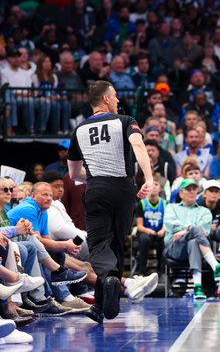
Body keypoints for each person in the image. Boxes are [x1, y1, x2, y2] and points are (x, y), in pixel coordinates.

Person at [67, 80, 154, 324]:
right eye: (114, 96)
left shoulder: (80, 129)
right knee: (115, 242)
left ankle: (110, 279)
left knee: (99, 245)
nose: (117, 100)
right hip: (125, 188)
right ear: (106, 99)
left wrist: (96, 173)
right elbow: (138, 144)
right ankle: (100, 306)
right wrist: (148, 178)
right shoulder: (125, 121)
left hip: (97, 188)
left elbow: (74, 174)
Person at [163, 179, 220, 300]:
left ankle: (197, 287)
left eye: (194, 189)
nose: (192, 192)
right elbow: (171, 224)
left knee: (194, 241)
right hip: (175, 247)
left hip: (194, 247)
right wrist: (189, 228)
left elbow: (205, 231)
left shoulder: (205, 211)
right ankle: (216, 267)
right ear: (181, 193)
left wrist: (185, 230)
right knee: (195, 231)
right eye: (188, 189)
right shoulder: (171, 207)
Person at [134, 174, 166, 277]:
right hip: (145, 232)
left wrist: (162, 230)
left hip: (159, 232)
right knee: (145, 240)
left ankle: (161, 271)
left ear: (160, 188)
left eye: (156, 184)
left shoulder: (165, 204)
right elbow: (139, 226)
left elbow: (166, 223)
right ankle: (142, 270)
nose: (153, 187)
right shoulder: (142, 204)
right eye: (151, 185)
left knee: (165, 240)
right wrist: (149, 231)